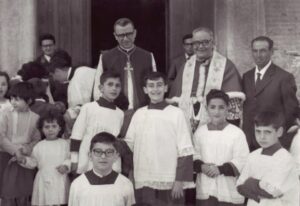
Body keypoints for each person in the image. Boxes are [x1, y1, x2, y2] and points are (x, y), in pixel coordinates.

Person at [125, 72, 194, 205]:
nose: (155, 89)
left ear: (166, 88)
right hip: (144, 177)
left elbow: (185, 149)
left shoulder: (177, 113)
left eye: (159, 85)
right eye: (151, 86)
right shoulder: (139, 114)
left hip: (170, 179)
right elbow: (129, 147)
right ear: (145, 89)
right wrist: (132, 173)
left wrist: (180, 180)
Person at [168, 27, 244, 132]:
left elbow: (234, 107)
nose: (200, 46)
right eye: (196, 43)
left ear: (212, 42)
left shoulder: (226, 66)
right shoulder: (187, 66)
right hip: (187, 125)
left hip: (217, 128)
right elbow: (175, 100)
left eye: (205, 42)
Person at [242, 36, 299, 151]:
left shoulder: (284, 78)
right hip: (248, 142)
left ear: (271, 52)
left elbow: (291, 113)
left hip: (273, 143)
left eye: (263, 50)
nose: (258, 55)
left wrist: (281, 140)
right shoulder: (246, 76)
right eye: (255, 51)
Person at [193, 89, 249, 206]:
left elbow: (242, 159)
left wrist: (220, 169)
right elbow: (194, 155)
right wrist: (202, 166)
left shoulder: (236, 133)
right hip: (205, 188)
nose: (216, 112)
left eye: (221, 107)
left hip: (228, 190)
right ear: (206, 108)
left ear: (228, 108)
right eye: (212, 107)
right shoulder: (200, 132)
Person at [237, 111, 299, 206]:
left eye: (267, 132)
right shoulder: (253, 155)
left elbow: (272, 192)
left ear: (279, 132)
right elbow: (240, 186)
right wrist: (258, 185)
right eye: (258, 131)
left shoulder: (285, 158)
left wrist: (250, 182)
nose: (262, 137)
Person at [94, 17, 157, 110]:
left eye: (129, 34)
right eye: (121, 35)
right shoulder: (105, 57)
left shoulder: (148, 56)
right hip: (114, 110)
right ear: (115, 36)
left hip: (142, 110)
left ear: (135, 33)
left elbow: (154, 84)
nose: (125, 38)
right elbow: (98, 87)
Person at [70, 72, 124, 175]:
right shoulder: (88, 108)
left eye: (117, 85)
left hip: (110, 156)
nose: (114, 88)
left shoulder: (120, 113)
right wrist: (74, 159)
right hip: (89, 155)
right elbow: (77, 134)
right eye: (110, 84)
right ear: (101, 87)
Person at [0, 82, 40, 206]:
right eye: (12, 98)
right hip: (5, 157)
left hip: (24, 159)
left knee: (23, 193)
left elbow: (36, 139)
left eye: (17, 99)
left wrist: (25, 149)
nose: (13, 102)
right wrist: (14, 151)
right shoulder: (5, 114)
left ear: (29, 100)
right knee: (6, 192)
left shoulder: (35, 117)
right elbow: (1, 136)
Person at [18, 110, 70, 206]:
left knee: (60, 200)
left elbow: (70, 158)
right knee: (44, 201)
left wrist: (66, 166)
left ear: (60, 128)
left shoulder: (65, 144)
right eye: (47, 127)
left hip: (59, 177)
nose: (50, 129)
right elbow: (34, 162)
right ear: (42, 129)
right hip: (43, 178)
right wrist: (24, 160)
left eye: (54, 126)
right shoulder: (39, 146)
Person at [68, 132, 135, 206]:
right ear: (90, 156)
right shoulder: (78, 184)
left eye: (109, 152)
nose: (103, 156)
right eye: (98, 152)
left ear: (116, 156)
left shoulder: (125, 184)